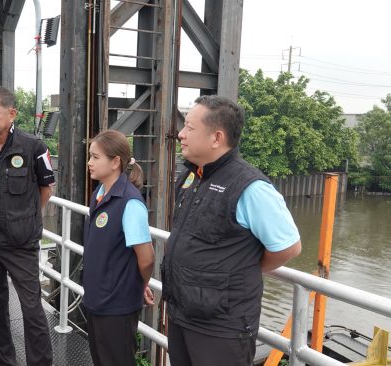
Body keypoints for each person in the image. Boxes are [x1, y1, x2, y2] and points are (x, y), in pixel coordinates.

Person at [160, 95, 302, 366]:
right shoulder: (194, 176)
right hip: (182, 310)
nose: (180, 135)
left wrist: (244, 266)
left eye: (189, 127)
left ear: (216, 138)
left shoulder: (250, 187)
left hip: (221, 325)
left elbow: (289, 247)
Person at [0, 86, 54, 366]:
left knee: (32, 310)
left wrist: (26, 218)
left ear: (11, 113)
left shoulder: (34, 147)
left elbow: (46, 189)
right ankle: (3, 361)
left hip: (20, 243)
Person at [82, 130, 155, 366]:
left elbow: (146, 258)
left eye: (95, 157)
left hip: (116, 304)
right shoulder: (101, 193)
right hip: (97, 297)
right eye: (90, 156)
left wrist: (141, 283)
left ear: (115, 162)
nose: (90, 163)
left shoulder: (130, 203)